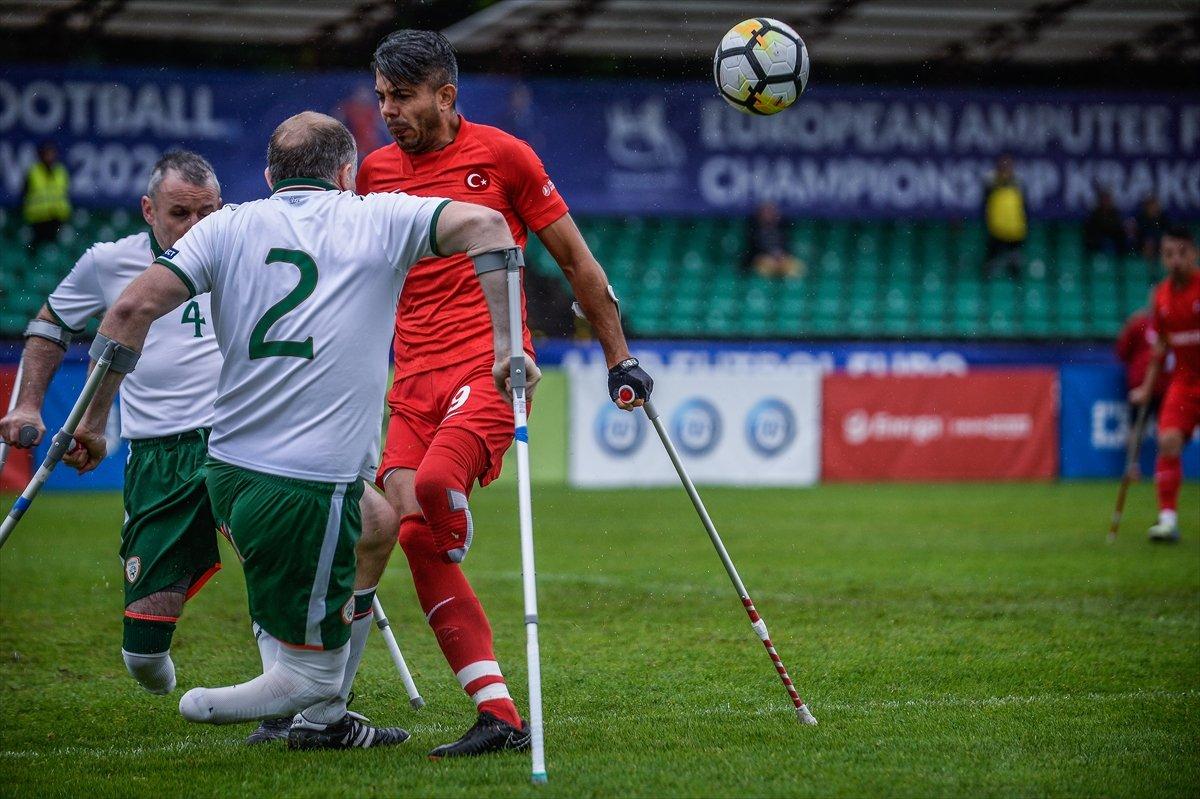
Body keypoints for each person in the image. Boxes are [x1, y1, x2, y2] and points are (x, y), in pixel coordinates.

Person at [65, 111, 524, 751]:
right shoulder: (377, 215)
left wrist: (90, 422)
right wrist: (507, 347)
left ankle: (325, 721)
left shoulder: (223, 226)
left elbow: (128, 309)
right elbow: (491, 227)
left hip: (228, 474)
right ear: (346, 173)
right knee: (309, 676)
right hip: (311, 486)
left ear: (267, 176)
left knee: (378, 524)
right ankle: (264, 703)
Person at [354, 30, 653, 758]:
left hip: (492, 368)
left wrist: (619, 357)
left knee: (432, 488)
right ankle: (499, 716)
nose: (388, 111)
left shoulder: (504, 156)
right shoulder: (373, 172)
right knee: (410, 532)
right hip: (410, 382)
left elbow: (576, 261)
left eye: (403, 97)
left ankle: (450, 519)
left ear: (446, 95)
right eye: (383, 96)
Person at [1, 151, 223, 698]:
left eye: (207, 212)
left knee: (282, 580)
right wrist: (28, 405)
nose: (196, 226)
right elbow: (50, 326)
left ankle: (304, 708)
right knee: (143, 656)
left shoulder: (243, 247)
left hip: (241, 442)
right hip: (159, 456)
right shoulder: (109, 262)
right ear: (149, 210)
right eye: (180, 213)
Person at [1129, 226, 1200, 543]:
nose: (1176, 260)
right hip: (1184, 383)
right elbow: (1159, 348)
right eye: (1169, 254)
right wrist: (1146, 388)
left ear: (1194, 254)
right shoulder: (1160, 297)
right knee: (1168, 440)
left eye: (1182, 253)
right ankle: (1167, 521)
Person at [1115, 288, 1170, 476]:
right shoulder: (1139, 324)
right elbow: (1122, 350)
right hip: (1141, 384)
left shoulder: (1172, 324)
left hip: (1166, 384)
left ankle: (1163, 468)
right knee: (1137, 427)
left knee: (1165, 429)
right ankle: (1132, 466)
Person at [21, 141, 71, 251]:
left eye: (51, 153)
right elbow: (23, 195)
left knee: (57, 250)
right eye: (46, 154)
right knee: (35, 249)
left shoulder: (61, 171)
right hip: (37, 219)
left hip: (57, 218)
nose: (49, 157)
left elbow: (66, 194)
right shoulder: (33, 172)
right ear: (40, 155)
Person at [982, 154, 1026, 278]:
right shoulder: (991, 184)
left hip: (1015, 231)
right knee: (991, 262)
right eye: (1003, 167)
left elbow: (1025, 209)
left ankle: (1016, 283)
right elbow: (985, 203)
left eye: (1008, 167)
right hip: (997, 230)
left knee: (1015, 264)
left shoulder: (1018, 184)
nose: (1006, 170)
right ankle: (987, 281)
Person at [745, 202, 803, 279]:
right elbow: (752, 251)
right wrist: (768, 256)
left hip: (781, 258)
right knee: (766, 266)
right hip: (762, 259)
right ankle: (765, 285)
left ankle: (791, 285)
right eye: (766, 213)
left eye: (772, 212)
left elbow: (787, 246)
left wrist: (781, 255)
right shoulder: (754, 231)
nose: (769, 215)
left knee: (797, 267)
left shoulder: (783, 229)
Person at [1083, 187, 1126, 255]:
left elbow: (1117, 227)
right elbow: (1091, 227)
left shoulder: (1115, 213)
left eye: (1107, 200)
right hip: (1098, 238)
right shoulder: (1095, 213)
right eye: (1104, 200)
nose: (1106, 202)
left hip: (1111, 236)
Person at [1131, 194, 1170, 261]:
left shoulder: (1163, 218)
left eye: (1155, 206)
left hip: (1159, 241)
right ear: (1147, 207)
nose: (1153, 208)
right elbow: (1139, 234)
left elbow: (1167, 232)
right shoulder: (1141, 219)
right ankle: (1147, 263)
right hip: (1143, 243)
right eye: (1151, 206)